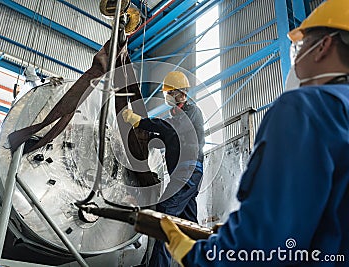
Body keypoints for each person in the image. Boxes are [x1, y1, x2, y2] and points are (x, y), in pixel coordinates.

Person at [157, 0, 349, 266]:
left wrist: (198, 257)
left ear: (324, 46)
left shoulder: (307, 108)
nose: (297, 55)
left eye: (300, 46)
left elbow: (263, 242)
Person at [122, 71, 205, 267]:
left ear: (181, 94)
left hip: (188, 170)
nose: (167, 96)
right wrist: (147, 137)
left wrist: (141, 121)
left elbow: (169, 129)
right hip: (183, 173)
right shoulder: (175, 115)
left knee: (164, 214)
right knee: (190, 225)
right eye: (166, 92)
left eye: (170, 92)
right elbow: (165, 138)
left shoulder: (192, 111)